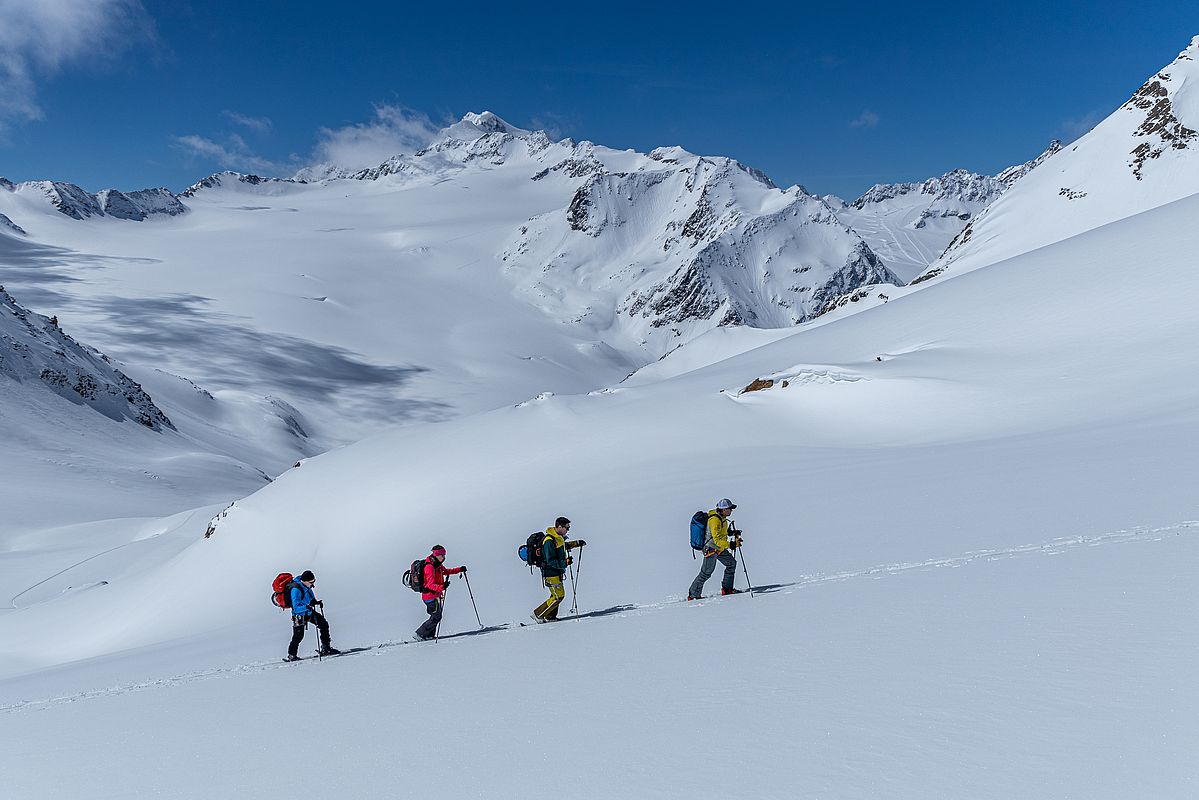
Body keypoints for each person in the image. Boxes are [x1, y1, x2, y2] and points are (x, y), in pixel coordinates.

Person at [533, 517, 587, 622]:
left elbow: (562, 547)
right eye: (567, 527)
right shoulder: (549, 540)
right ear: (559, 527)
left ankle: (550, 616)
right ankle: (538, 614)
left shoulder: (558, 538)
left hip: (556, 572)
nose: (568, 530)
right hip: (550, 572)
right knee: (559, 596)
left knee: (555, 594)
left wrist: (576, 543)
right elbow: (550, 560)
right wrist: (564, 563)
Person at [687, 499, 742, 600]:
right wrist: (731, 545)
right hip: (711, 549)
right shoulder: (714, 520)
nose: (731, 511)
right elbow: (716, 539)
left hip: (719, 548)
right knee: (706, 573)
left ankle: (727, 589)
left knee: (731, 563)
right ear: (724, 509)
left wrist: (732, 533)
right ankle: (693, 595)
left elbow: (721, 533)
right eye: (730, 509)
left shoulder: (723, 518)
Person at [414, 545, 466, 641]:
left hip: (435, 595)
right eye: (442, 555)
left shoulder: (437, 564)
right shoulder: (429, 567)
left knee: (435, 616)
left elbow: (446, 571)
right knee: (436, 617)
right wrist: (442, 587)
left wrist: (459, 569)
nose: (444, 557)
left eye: (444, 554)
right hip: (429, 596)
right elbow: (429, 585)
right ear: (436, 555)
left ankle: (429, 635)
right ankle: (420, 634)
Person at [286, 570, 340, 661]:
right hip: (299, 615)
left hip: (309, 612)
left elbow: (309, 597)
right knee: (298, 636)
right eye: (311, 582)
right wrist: (306, 607)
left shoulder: (306, 586)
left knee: (323, 624)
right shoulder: (295, 590)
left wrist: (315, 602)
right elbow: (295, 607)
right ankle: (292, 655)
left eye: (314, 581)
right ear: (305, 581)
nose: (313, 584)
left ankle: (326, 648)